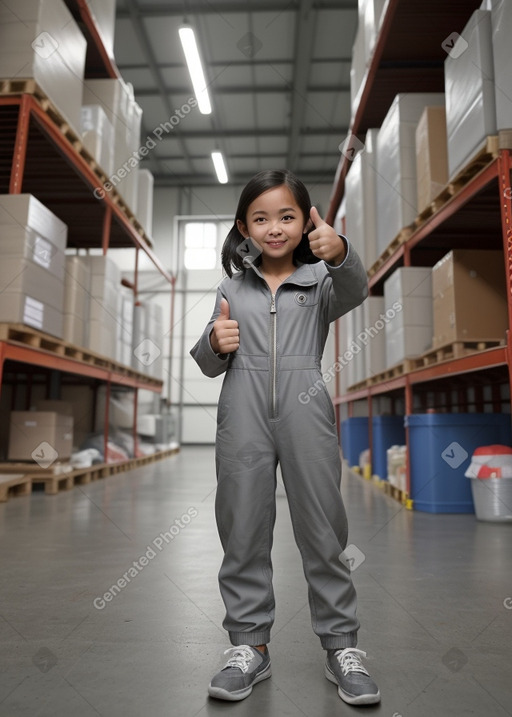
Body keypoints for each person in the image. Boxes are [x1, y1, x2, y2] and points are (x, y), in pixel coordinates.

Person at [190, 169, 380, 706]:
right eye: (261, 218)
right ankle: (250, 648)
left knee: (324, 527)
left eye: (287, 216)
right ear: (243, 227)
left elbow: (357, 288)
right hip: (242, 411)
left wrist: (340, 251)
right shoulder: (231, 287)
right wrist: (215, 342)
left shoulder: (321, 281)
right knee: (243, 525)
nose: (275, 228)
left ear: (304, 221)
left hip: (305, 407)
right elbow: (207, 363)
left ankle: (342, 648)